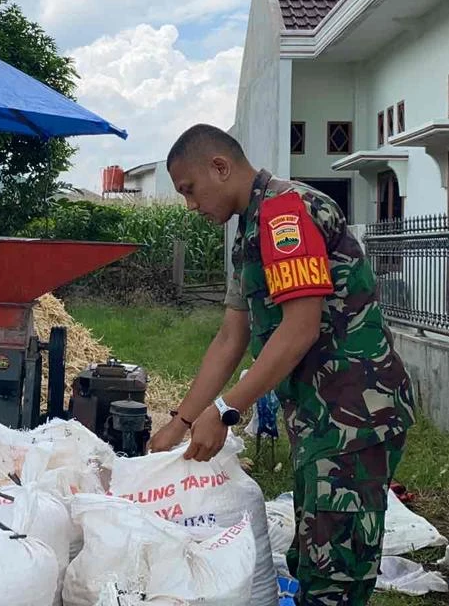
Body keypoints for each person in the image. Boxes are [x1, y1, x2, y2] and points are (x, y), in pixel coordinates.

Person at [148, 124, 416, 606]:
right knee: (315, 554)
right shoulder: (249, 231)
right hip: (320, 415)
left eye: (190, 190)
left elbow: (300, 328)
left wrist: (227, 411)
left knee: (335, 573)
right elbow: (232, 334)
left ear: (220, 167)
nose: (190, 205)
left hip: (354, 412)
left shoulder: (284, 214)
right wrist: (181, 420)